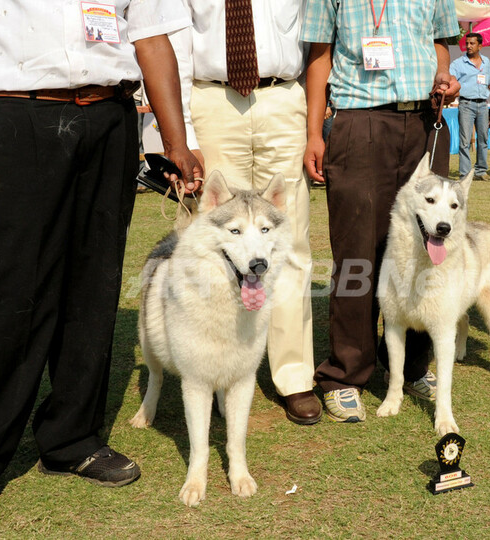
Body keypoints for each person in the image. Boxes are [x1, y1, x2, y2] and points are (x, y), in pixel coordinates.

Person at [0, 0, 201, 532]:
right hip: (21, 118)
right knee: (12, 289)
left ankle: (72, 438)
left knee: (94, 285)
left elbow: (150, 38)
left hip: (111, 120)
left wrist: (175, 140)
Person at [302, 0, 461, 422]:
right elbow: (319, 56)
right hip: (360, 120)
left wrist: (443, 75)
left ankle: (411, 365)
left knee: (427, 248)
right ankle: (345, 372)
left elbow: (439, 42)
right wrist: (314, 132)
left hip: (426, 121)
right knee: (357, 251)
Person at [168, 0, 322, 425]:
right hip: (212, 100)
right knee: (217, 246)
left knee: (288, 244)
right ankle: (219, 371)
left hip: (283, 98)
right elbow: (176, 45)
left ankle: (294, 375)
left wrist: (313, 124)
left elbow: (315, 40)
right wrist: (182, 133)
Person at [450, 32, 490, 182]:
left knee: (483, 139)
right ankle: (465, 174)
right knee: (465, 141)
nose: (468, 46)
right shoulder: (457, 64)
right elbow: (451, 81)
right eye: (467, 43)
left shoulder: (486, 61)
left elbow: (489, 81)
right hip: (466, 104)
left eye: (472, 43)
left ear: (480, 46)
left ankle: (481, 171)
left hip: (483, 106)